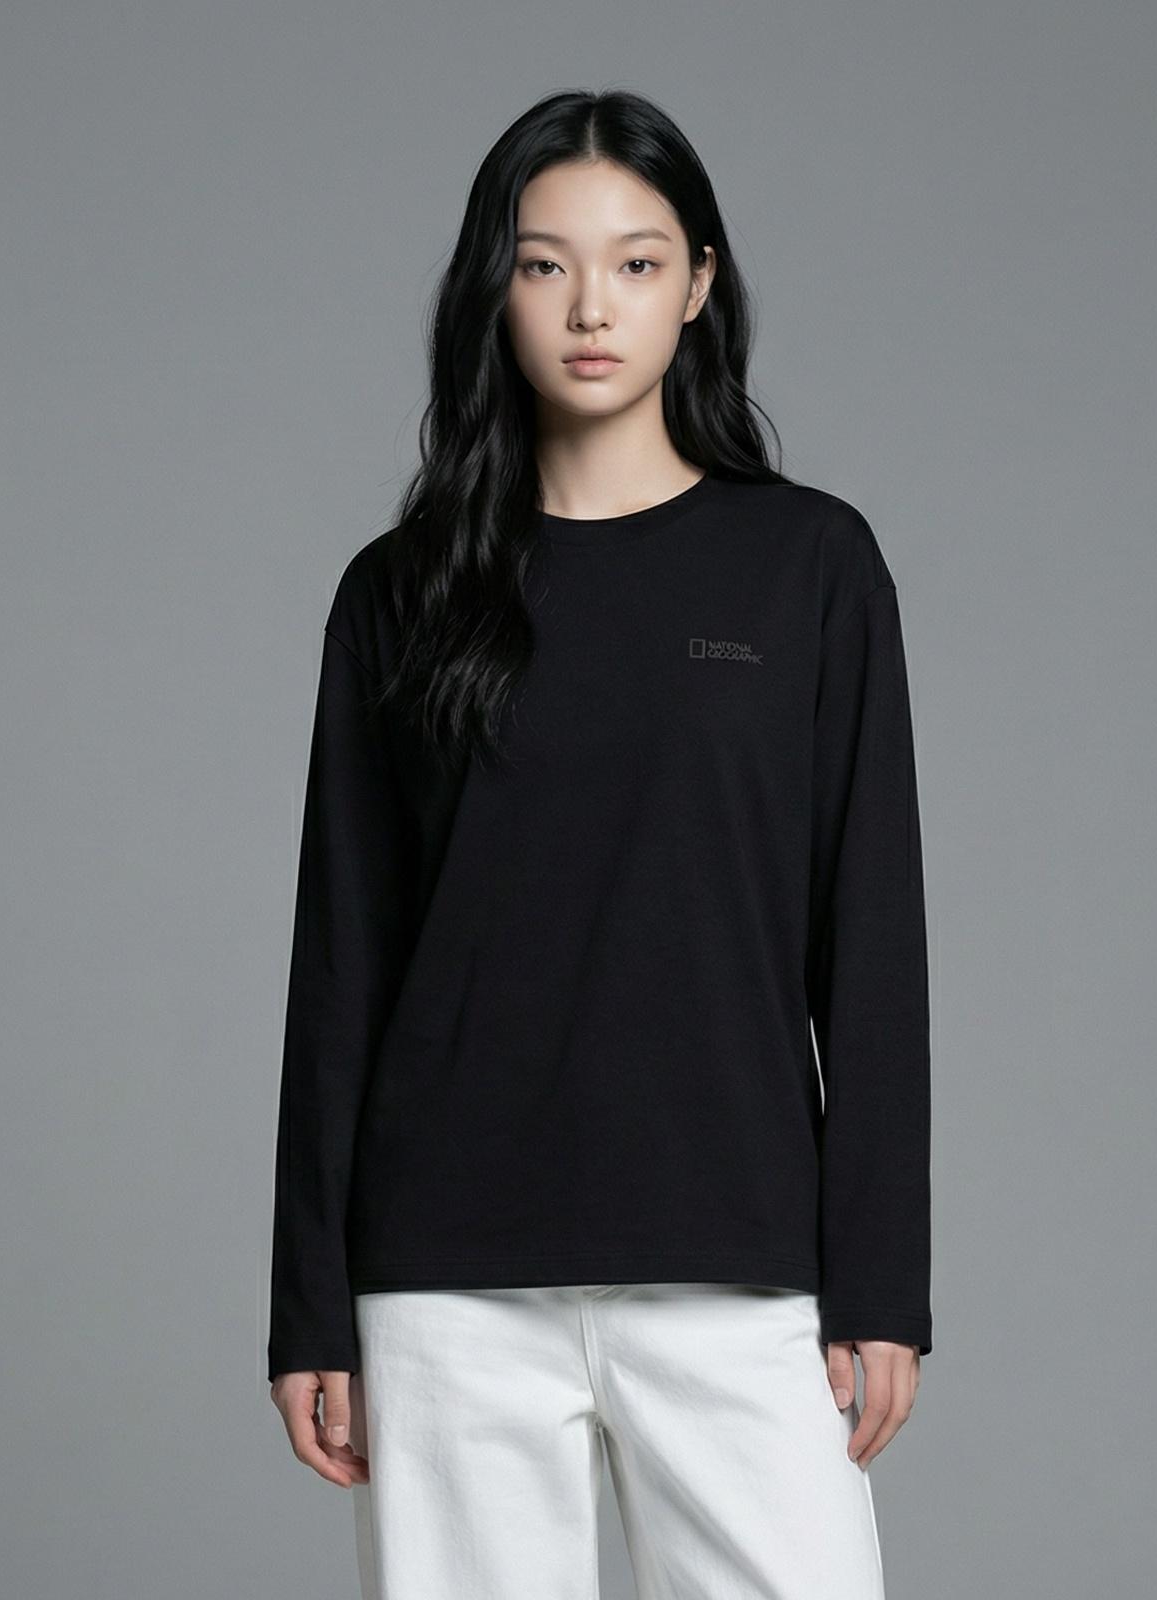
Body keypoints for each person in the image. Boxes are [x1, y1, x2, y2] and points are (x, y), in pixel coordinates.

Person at [267, 86, 932, 1600]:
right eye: (543, 263)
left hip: (735, 1259)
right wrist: (310, 1302)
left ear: (698, 285)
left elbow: (873, 938)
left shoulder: (809, 567)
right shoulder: (401, 592)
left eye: (636, 263)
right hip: (446, 1280)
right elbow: (342, 959)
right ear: (492, 288)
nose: (589, 307)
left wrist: (882, 1282)